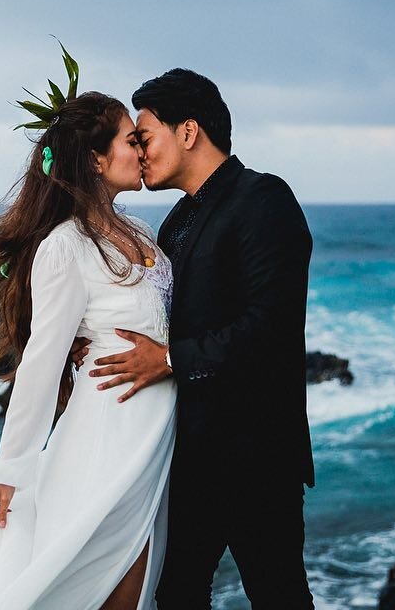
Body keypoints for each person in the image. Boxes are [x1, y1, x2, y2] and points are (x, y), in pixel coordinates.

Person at [0, 85, 178, 610]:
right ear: (95, 159)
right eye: (131, 141)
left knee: (138, 580)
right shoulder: (65, 247)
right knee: (109, 577)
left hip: (153, 434)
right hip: (109, 435)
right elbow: (42, 366)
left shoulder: (140, 230)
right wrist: (7, 470)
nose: (142, 151)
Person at [87, 68, 316, 608]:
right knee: (177, 594)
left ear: (188, 131)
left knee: (278, 594)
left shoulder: (263, 198)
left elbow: (270, 326)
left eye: (146, 137)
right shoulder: (174, 223)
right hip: (187, 455)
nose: (139, 152)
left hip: (257, 455)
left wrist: (168, 359)